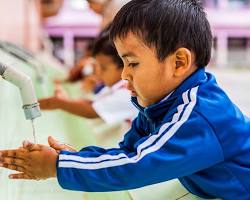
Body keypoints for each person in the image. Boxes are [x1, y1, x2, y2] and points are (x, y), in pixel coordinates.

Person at [0, 0, 250, 199]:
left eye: (132, 63)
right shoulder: (160, 104)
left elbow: (138, 165)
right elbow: (128, 151)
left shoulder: (198, 115)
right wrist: (77, 158)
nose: (124, 74)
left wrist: (58, 166)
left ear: (179, 62)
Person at [38, 25, 137, 125]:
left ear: (125, 66)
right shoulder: (116, 88)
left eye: (103, 68)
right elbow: (93, 103)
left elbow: (92, 110)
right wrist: (64, 101)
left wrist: (60, 103)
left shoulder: (128, 93)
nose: (98, 74)